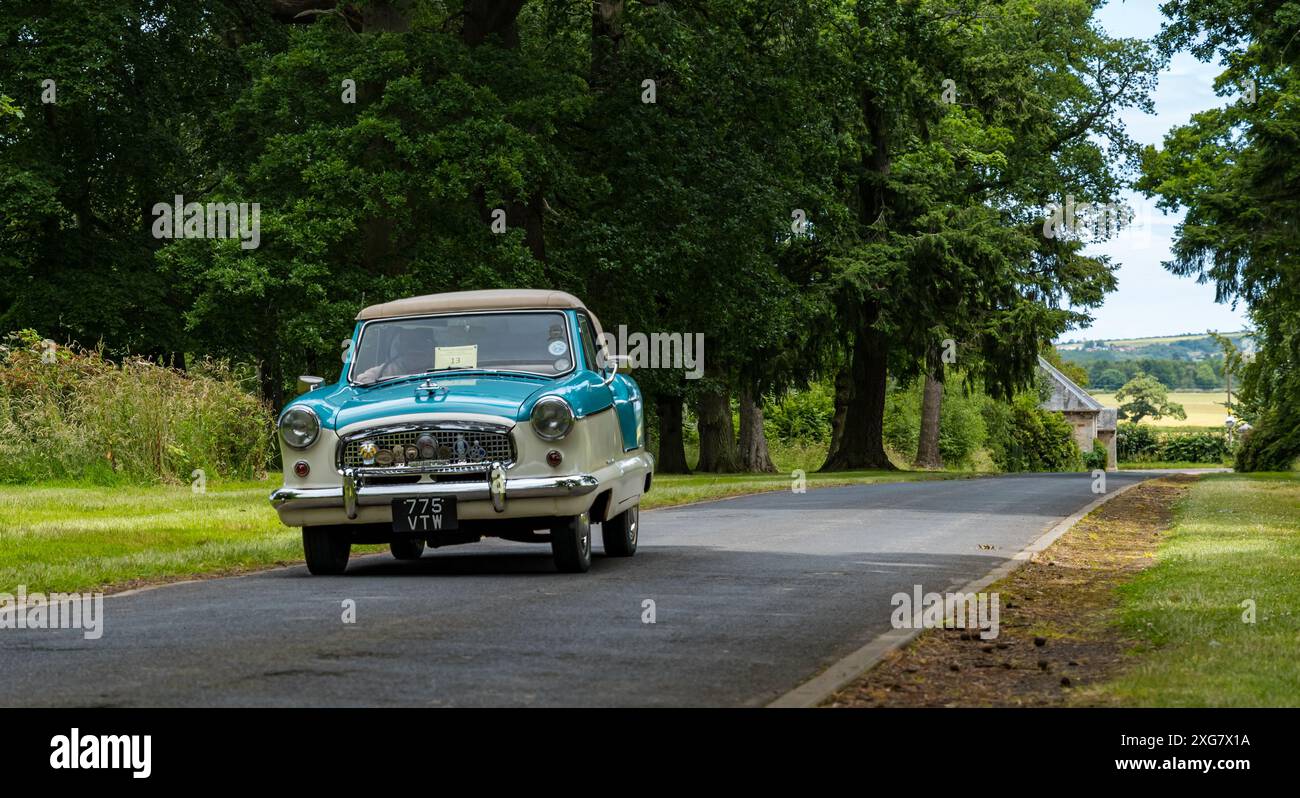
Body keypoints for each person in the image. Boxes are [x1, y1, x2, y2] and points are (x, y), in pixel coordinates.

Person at [355, 326, 434, 383]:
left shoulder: (439, 365)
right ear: (400, 346)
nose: (415, 347)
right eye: (409, 342)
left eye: (420, 342)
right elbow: (362, 378)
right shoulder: (392, 368)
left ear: (430, 345)